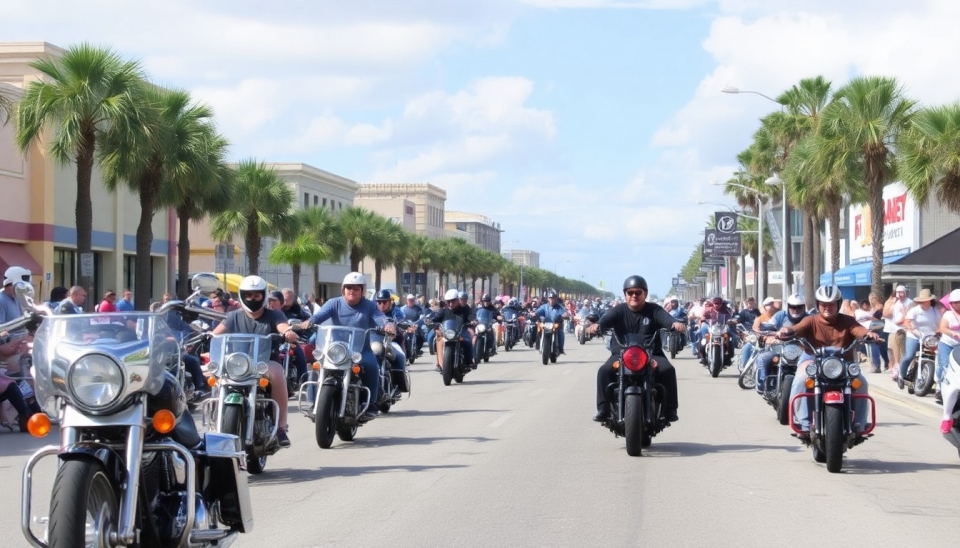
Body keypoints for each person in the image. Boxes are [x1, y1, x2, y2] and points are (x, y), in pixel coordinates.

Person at [210, 276, 299, 447]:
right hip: (236, 365)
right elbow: (216, 333)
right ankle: (215, 422)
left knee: (278, 372)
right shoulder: (233, 316)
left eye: (257, 295)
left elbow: (282, 326)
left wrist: (288, 332)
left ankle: (281, 427)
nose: (252, 298)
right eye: (248, 295)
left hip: (263, 364)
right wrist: (206, 336)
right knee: (214, 373)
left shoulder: (274, 315)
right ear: (242, 296)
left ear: (263, 296)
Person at [781, 285, 881, 437]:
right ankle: (804, 424)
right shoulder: (810, 321)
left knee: (861, 383)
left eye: (831, 304)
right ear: (818, 305)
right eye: (824, 304)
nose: (828, 308)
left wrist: (868, 334)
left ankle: (859, 425)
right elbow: (797, 328)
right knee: (801, 379)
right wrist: (787, 331)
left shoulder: (847, 321)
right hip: (813, 358)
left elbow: (858, 330)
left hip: (842, 361)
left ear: (838, 304)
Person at [588, 275, 686, 423]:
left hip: (651, 355)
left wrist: (674, 324)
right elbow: (605, 321)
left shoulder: (654, 310)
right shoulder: (618, 310)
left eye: (638, 292)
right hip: (621, 355)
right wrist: (597, 326)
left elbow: (667, 319)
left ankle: (670, 409)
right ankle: (603, 409)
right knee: (604, 371)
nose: (634, 295)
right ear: (625, 294)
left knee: (668, 370)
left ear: (645, 294)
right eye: (630, 292)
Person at [306, 272, 395, 421]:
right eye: (348, 288)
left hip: (360, 350)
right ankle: (313, 403)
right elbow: (320, 315)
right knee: (316, 367)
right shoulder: (333, 303)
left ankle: (371, 403)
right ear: (343, 289)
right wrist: (309, 321)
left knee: (372, 366)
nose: (351, 291)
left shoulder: (369, 306)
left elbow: (379, 318)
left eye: (356, 288)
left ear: (362, 290)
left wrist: (387, 325)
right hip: (335, 350)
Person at [754, 293, 808, 391]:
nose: (795, 310)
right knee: (763, 358)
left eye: (799, 307)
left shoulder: (809, 318)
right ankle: (764, 387)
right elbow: (769, 326)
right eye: (793, 307)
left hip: (803, 351)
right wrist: (771, 337)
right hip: (780, 348)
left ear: (804, 307)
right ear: (788, 306)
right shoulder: (780, 315)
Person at [897, 289, 941, 387]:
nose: (921, 303)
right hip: (915, 335)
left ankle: (936, 380)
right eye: (920, 301)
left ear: (929, 301)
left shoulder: (935, 311)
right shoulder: (915, 310)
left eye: (923, 301)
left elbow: (940, 325)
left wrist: (938, 333)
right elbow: (906, 322)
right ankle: (901, 375)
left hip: (929, 338)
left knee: (937, 357)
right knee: (909, 355)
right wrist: (910, 327)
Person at [429, 288, 477, 370]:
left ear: (458, 300)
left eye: (453, 301)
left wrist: (473, 320)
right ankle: (439, 363)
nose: (451, 303)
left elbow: (470, 316)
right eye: (448, 301)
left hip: (460, 334)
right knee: (437, 340)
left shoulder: (465, 310)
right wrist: (430, 322)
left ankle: (469, 361)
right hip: (446, 335)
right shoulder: (444, 311)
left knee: (466, 342)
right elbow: (435, 318)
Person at [373, 289, 409, 393]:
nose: (381, 305)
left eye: (384, 302)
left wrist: (400, 325)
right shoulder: (372, 312)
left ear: (390, 302)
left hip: (392, 341)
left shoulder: (395, 312)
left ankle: (400, 384)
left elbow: (402, 320)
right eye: (379, 302)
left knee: (400, 356)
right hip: (374, 342)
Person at [883, 285, 913, 379]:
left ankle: (904, 369)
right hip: (896, 329)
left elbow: (909, 317)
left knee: (904, 351)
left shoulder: (909, 302)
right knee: (895, 350)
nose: (900, 295)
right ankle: (897, 368)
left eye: (901, 292)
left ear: (905, 293)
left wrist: (904, 315)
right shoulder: (896, 303)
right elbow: (890, 316)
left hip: (905, 329)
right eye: (898, 292)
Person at [937, 289, 960, 405]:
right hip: (947, 344)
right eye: (954, 302)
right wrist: (953, 333)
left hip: (958, 346)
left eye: (958, 302)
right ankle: (941, 390)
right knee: (945, 366)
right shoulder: (948, 315)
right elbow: (942, 328)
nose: (956, 304)